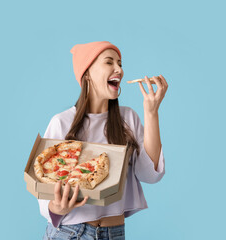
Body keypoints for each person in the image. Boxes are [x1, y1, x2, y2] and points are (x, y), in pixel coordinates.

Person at [39, 41, 168, 240]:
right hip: (70, 232)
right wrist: (57, 207)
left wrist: (151, 112)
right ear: (87, 73)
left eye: (120, 64)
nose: (119, 70)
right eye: (109, 62)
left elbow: (150, 175)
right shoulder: (62, 122)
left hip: (114, 233)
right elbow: (45, 192)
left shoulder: (128, 118)